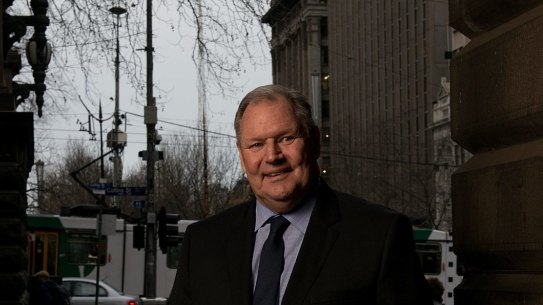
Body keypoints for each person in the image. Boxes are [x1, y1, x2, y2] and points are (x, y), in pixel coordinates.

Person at [168, 84, 431, 305]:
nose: (272, 156)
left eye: (286, 138)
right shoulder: (203, 243)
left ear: (315, 142)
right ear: (241, 155)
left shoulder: (379, 235)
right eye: (257, 144)